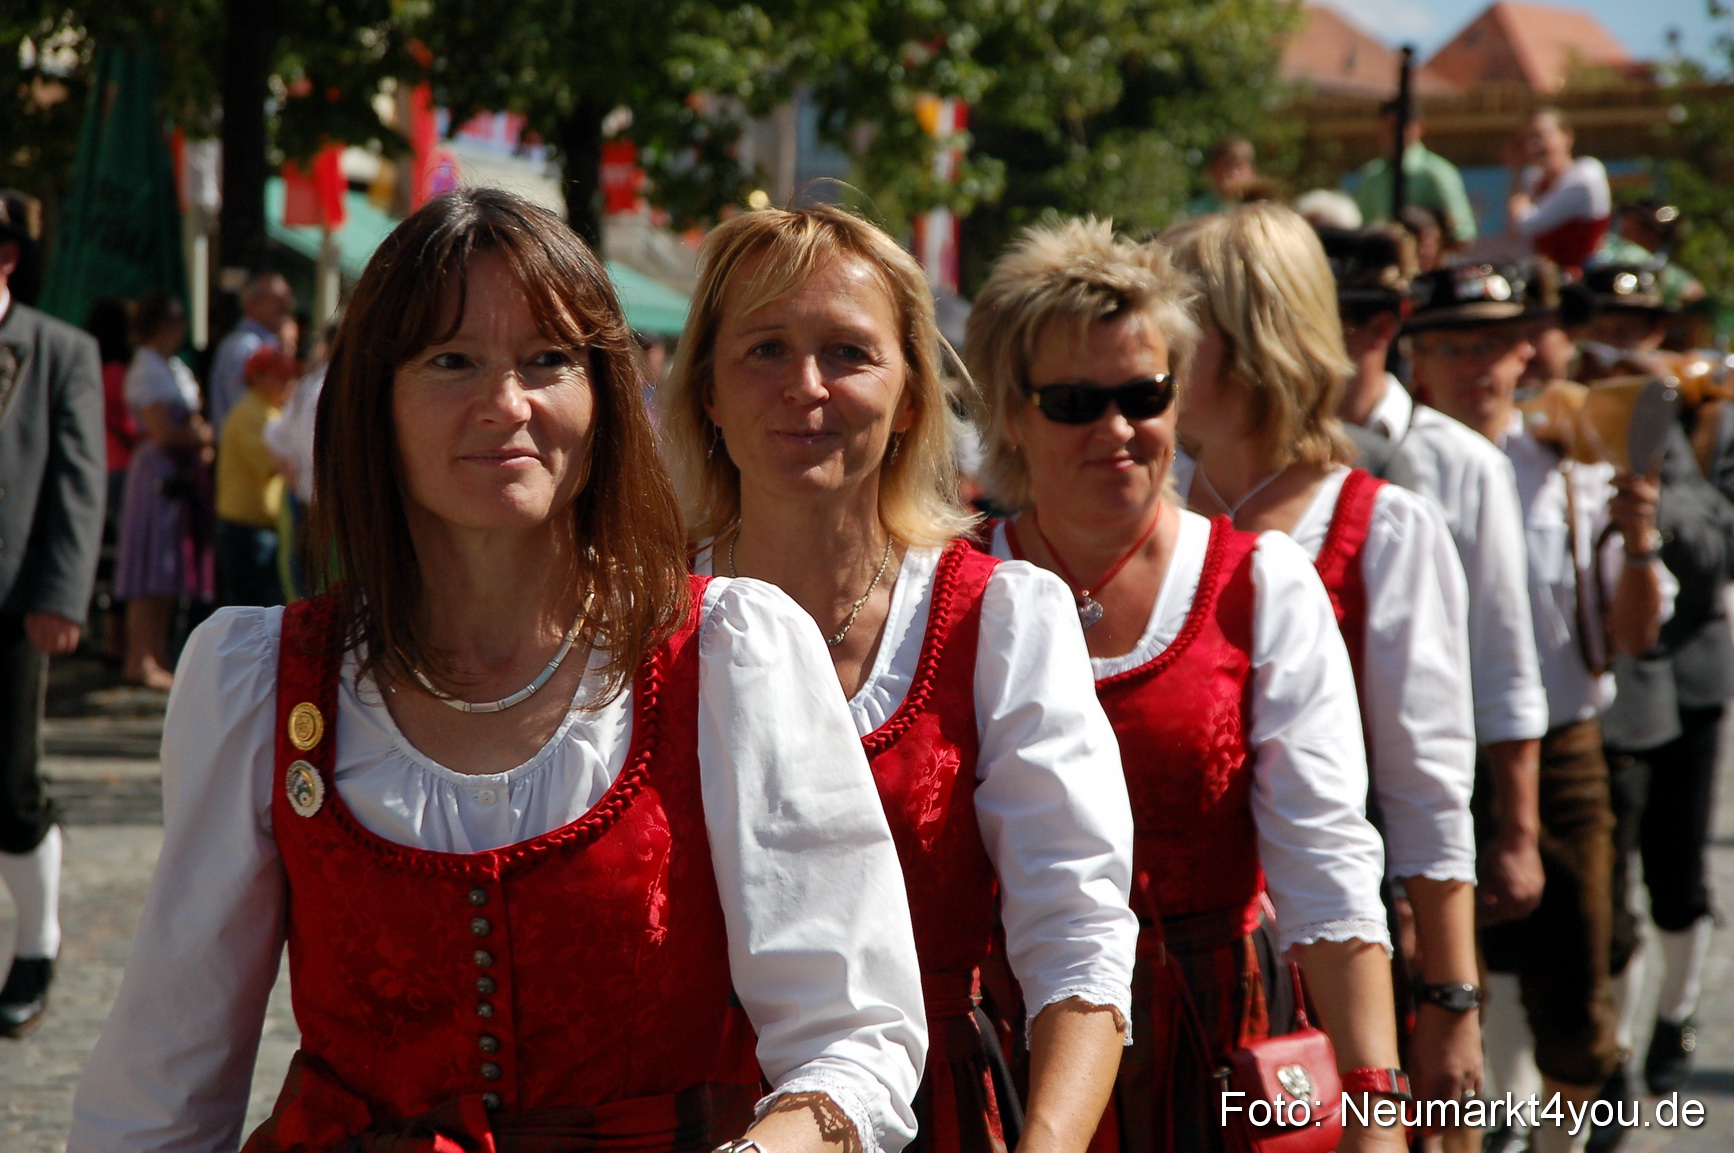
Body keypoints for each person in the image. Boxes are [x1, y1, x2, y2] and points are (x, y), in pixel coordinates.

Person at [70, 188, 927, 1153]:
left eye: (547, 361)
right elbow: (163, 1086)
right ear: (376, 401)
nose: (506, 404)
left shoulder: (728, 654)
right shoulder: (262, 679)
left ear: (603, 396)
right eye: (451, 361)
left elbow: (856, 1034)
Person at [661, 203, 1138, 1153]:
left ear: (912, 394)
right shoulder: (638, 618)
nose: (807, 387)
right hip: (685, 1120)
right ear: (708, 390)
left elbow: (1077, 932)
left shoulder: (997, 616)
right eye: (764, 350)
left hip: (935, 1118)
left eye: (848, 352)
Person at [965, 216, 1406, 1153]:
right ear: (1010, 411)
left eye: (1145, 392)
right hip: (1012, 1052)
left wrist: (1376, 1103)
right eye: (1076, 401)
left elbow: (1325, 861)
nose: (1119, 429)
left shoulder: (1258, 584)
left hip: (1219, 1043)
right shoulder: (951, 593)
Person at [1162, 204, 1484, 1124]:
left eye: (1181, 329)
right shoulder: (1137, 507)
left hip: (1329, 960)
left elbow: (1428, 792)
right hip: (1159, 964)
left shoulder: (1382, 525)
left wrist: (1453, 1005)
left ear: (1255, 338)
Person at [1406, 264, 1670, 1153]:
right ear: (1419, 362)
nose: (1474, 363)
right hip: (1429, 760)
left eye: (1491, 342)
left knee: (1576, 982)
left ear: (1527, 351)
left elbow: (1633, 636)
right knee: (1443, 994)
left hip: (1561, 751)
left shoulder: (1571, 465)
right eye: (1450, 344)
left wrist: (1638, 543)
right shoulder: (1402, 474)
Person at [1324, 229, 1549, 925]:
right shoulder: (1264, 466)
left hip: (1442, 781)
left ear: (1384, 327)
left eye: (1346, 321)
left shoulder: (1462, 461)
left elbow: (1502, 654)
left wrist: (1516, 831)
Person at [0, 189, 106, 1038]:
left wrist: (62, 596)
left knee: (11, 781)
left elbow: (78, 482)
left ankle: (35, 945)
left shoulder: (58, 350)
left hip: (13, 602)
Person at [113, 293, 214, 690]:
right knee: (149, 567)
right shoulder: (147, 369)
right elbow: (164, 431)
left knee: (169, 568)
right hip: (158, 474)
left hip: (177, 474)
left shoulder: (170, 367)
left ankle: (156, 654)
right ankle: (140, 657)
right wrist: (200, 435)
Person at [215, 345, 301, 607]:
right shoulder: (253, 413)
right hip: (246, 531)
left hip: (259, 529)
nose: (289, 382)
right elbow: (277, 463)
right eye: (281, 376)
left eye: (290, 375)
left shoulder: (269, 411)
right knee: (253, 613)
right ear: (258, 377)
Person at [1349, 97, 1477, 246]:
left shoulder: (1436, 173)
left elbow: (1463, 235)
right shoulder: (1372, 175)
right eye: (1390, 127)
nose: (1396, 133)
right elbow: (1362, 229)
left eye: (1402, 126)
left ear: (1419, 127)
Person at [1507, 107, 1610, 272]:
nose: (1535, 146)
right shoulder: (1533, 178)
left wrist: (1518, 185)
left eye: (1542, 136)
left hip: (1583, 278)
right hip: (1547, 277)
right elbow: (1514, 234)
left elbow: (1525, 227)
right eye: (1529, 139)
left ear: (1567, 137)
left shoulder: (1585, 175)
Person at [208, 271, 294, 435]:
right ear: (252, 303)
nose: (285, 307)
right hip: (247, 452)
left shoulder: (264, 343)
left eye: (287, 299)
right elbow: (245, 412)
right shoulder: (244, 346)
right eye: (277, 300)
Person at [1184, 137, 1257, 218]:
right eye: (1223, 167)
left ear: (1251, 170)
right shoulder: (1197, 210)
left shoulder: (1262, 206)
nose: (1231, 174)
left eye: (1237, 166)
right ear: (1211, 171)